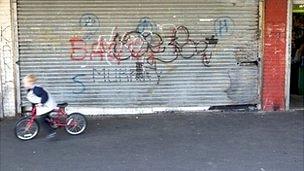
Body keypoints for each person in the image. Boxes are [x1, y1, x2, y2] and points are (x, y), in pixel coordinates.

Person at [22, 74, 57, 139]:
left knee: (41, 119)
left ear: (30, 83)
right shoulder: (31, 89)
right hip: (45, 105)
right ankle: (52, 123)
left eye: (25, 83)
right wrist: (33, 110)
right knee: (44, 116)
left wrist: (41, 103)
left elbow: (45, 96)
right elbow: (33, 100)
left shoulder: (37, 89)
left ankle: (51, 132)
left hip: (48, 105)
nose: (24, 85)